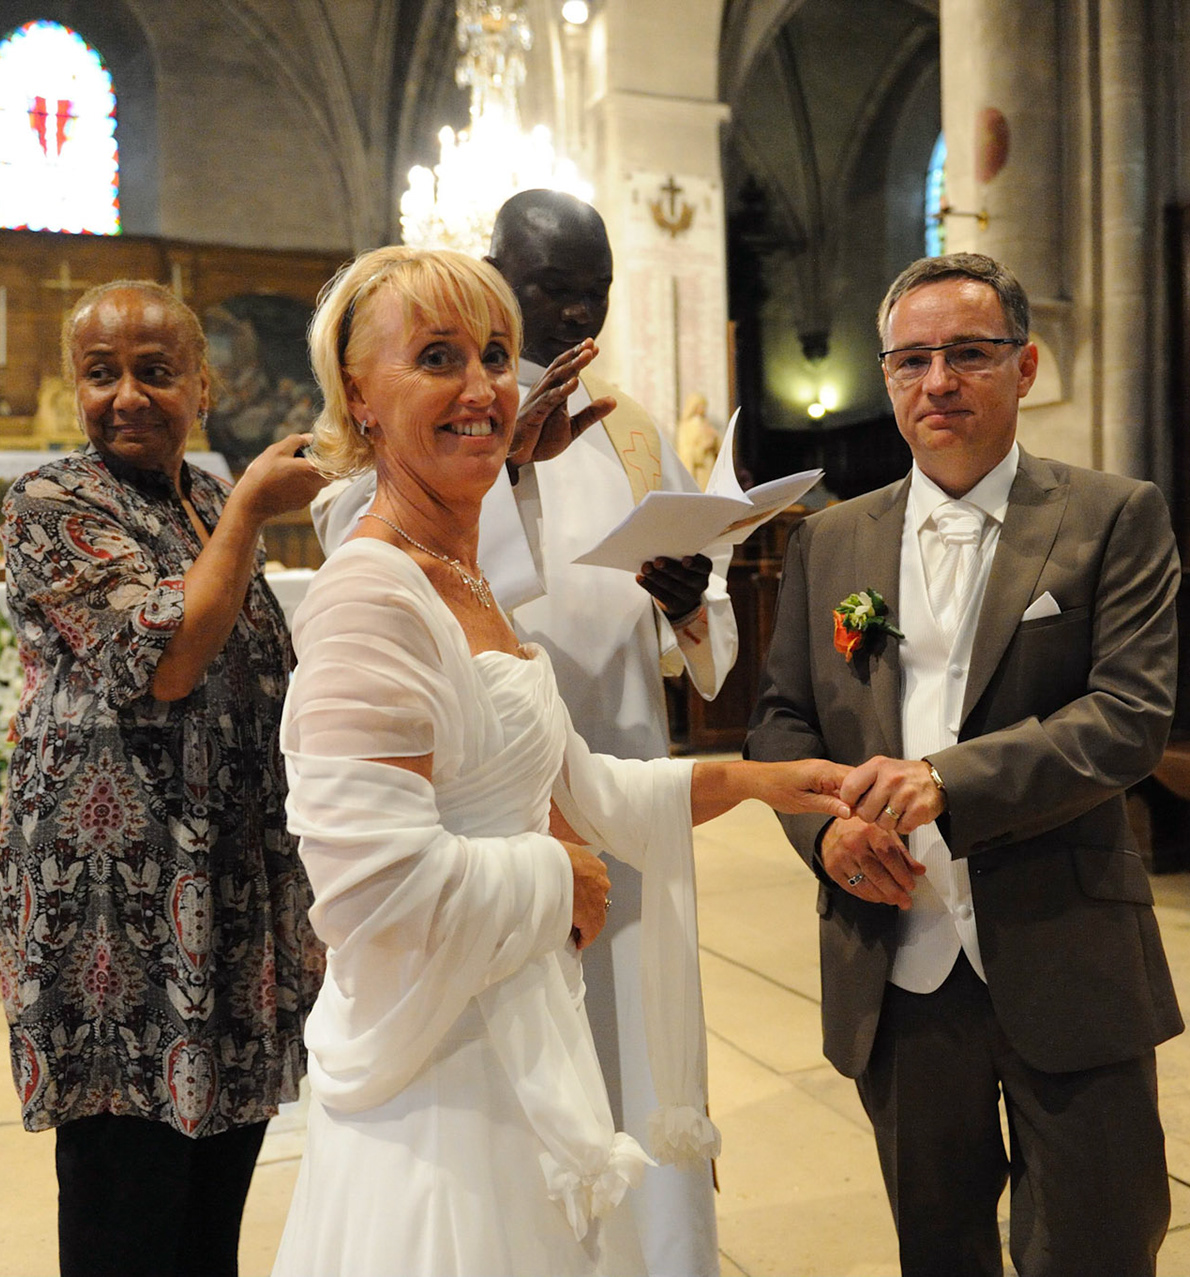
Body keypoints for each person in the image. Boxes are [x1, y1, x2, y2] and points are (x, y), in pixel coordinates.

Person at [271, 245, 848, 1276]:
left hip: (515, 1034)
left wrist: (757, 781)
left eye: (495, 355)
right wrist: (560, 877)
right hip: (443, 1083)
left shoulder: (464, 576)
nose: (483, 387)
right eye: (437, 356)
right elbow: (366, 891)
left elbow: (575, 779)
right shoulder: (368, 595)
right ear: (358, 396)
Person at [746, 252, 1184, 1277]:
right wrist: (826, 832)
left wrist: (949, 780)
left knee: (1099, 1243)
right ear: (887, 379)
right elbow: (781, 722)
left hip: (1063, 939)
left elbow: (1130, 716)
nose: (937, 380)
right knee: (937, 1247)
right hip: (894, 953)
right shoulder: (828, 542)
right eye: (912, 360)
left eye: (969, 354)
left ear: (1023, 366)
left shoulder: (1112, 515)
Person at [0, 280, 330, 1277]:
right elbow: (167, 660)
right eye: (101, 373)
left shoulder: (212, 501)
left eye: (156, 371)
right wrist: (254, 512)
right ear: (75, 386)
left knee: (215, 1195)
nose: (128, 395)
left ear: (203, 387)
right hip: (113, 912)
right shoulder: (48, 502)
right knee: (125, 1201)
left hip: (225, 890)